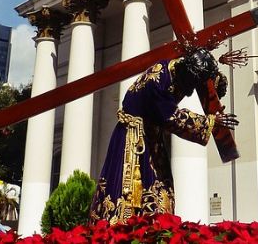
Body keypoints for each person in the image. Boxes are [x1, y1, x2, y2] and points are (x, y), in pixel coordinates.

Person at [88, 49, 237, 224]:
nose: (189, 91)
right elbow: (170, 117)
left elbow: (204, 81)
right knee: (129, 194)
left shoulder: (179, 71)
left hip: (152, 138)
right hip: (134, 140)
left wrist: (215, 80)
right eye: (191, 84)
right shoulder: (156, 82)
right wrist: (210, 121)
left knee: (160, 192)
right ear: (185, 73)